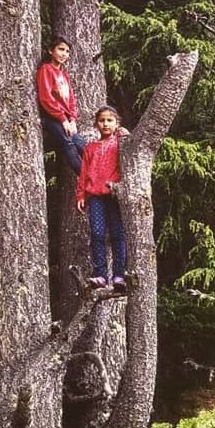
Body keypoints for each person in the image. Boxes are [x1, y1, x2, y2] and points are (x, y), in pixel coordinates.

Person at [76, 105, 127, 290]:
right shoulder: (90, 148)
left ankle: (119, 276)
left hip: (114, 195)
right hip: (95, 196)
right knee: (97, 234)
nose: (105, 124)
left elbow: (133, 147)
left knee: (117, 234)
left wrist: (125, 135)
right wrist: (81, 194)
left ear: (117, 123)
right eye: (102, 120)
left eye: (110, 120)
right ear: (96, 124)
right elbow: (83, 173)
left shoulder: (120, 142)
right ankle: (100, 275)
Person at [36, 35, 87, 174]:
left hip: (65, 119)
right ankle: (87, 180)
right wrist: (62, 119)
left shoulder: (64, 74)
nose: (64, 54)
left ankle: (101, 173)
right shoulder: (46, 70)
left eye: (67, 51)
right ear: (50, 51)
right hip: (51, 117)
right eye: (60, 49)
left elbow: (71, 99)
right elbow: (45, 98)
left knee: (83, 145)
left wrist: (72, 119)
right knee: (68, 143)